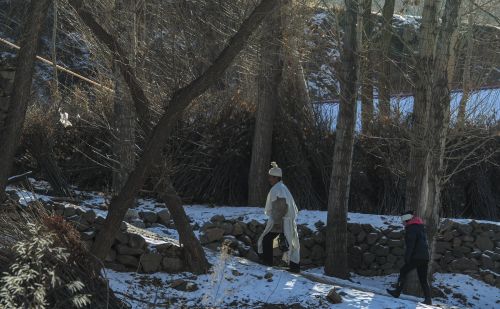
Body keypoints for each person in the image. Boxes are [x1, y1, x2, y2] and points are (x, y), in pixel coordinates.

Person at [257, 162, 300, 273]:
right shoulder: (281, 187)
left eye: (271, 177)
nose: (269, 179)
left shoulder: (278, 188)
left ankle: (267, 262)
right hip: (284, 220)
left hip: (281, 220)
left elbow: (280, 206)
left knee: (267, 239)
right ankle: (294, 267)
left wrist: (277, 222)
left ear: (276, 177)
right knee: (290, 242)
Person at [387, 210, 432, 305]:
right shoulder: (420, 227)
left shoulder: (411, 229)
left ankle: (396, 292)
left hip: (416, 257)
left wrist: (407, 258)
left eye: (403, 220)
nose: (402, 222)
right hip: (425, 257)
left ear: (407, 220)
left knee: (403, 271)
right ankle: (428, 299)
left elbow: (410, 245)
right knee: (423, 279)